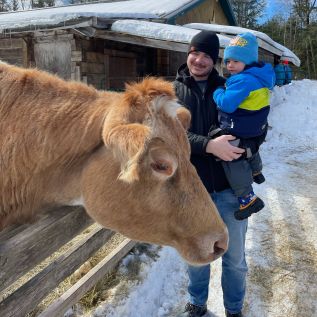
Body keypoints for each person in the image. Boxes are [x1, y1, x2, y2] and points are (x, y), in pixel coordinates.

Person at [174, 30, 247, 317]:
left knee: (235, 258)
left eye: (207, 55)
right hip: (193, 191)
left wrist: (248, 147)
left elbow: (252, 128)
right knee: (196, 253)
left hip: (230, 189)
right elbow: (172, 137)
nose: (200, 60)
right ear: (188, 54)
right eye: (196, 53)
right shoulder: (172, 91)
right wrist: (210, 146)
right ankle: (197, 302)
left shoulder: (230, 87)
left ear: (214, 60)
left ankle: (234, 308)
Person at [213, 32, 276, 220]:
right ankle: (257, 171)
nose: (230, 65)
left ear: (247, 62)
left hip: (239, 126)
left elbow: (227, 104)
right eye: (228, 61)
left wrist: (218, 91)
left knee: (232, 157)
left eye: (235, 61)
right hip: (254, 126)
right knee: (250, 148)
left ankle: (248, 199)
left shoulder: (243, 80)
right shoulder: (260, 77)